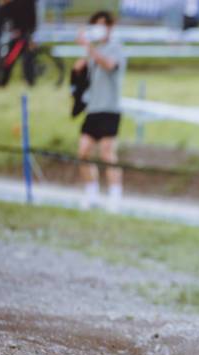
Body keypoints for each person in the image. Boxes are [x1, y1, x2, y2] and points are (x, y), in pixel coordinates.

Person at [74, 10, 126, 212]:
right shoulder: (93, 51)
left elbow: (110, 65)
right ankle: (91, 191)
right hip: (93, 108)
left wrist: (89, 48)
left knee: (107, 154)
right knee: (83, 152)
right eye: (96, 24)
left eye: (103, 24)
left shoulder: (115, 48)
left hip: (110, 109)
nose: (100, 28)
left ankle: (115, 195)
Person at [0, 0, 37, 86]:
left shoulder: (23, 4)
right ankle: (3, 82)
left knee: (13, 59)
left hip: (23, 36)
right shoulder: (18, 4)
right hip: (23, 35)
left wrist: (20, 30)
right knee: (20, 59)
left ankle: (3, 82)